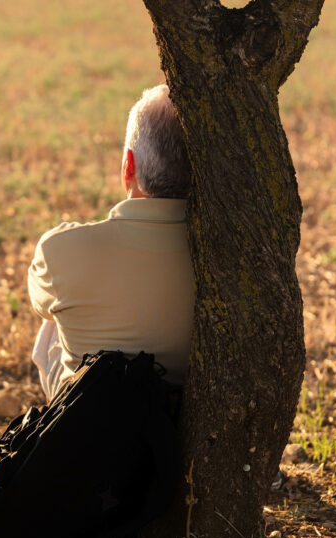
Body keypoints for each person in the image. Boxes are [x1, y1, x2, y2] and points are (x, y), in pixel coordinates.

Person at [28, 84, 195, 401]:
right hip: (179, 425)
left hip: (91, 426)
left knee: (53, 319)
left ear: (128, 165)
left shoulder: (60, 250)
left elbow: (39, 303)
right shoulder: (227, 258)